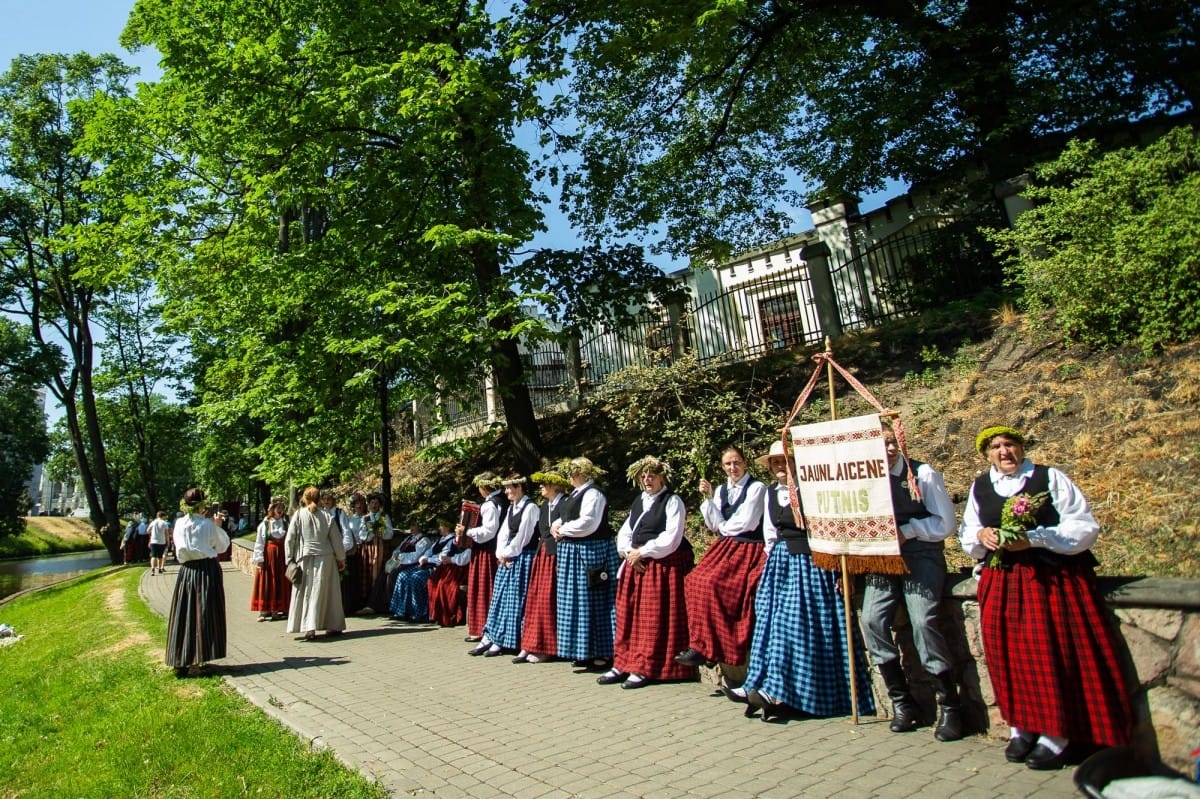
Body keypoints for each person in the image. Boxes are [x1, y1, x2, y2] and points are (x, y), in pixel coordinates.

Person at [960, 425, 1133, 770]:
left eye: (1009, 444)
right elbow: (967, 532)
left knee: (1050, 651)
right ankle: (1021, 727)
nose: (1003, 451)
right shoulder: (980, 486)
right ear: (986, 454)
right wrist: (981, 534)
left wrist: (1036, 539)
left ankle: (1057, 734)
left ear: (1020, 448)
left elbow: (1083, 527)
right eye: (995, 447)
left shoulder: (1049, 478)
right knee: (1005, 654)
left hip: (1047, 579)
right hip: (1003, 580)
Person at [738, 441, 876, 721]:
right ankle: (766, 687)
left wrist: (840, 568)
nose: (779, 466)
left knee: (799, 625)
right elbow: (770, 533)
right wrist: (771, 563)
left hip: (811, 562)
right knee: (769, 622)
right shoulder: (770, 493)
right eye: (775, 462)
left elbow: (831, 529)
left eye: (783, 461)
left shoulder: (812, 490)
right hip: (781, 562)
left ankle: (787, 693)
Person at [861, 423, 962, 740]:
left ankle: (950, 704)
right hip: (884, 555)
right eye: (881, 443)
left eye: (892, 442)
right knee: (871, 620)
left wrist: (909, 530)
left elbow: (945, 523)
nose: (888, 449)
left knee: (922, 619)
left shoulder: (923, 474)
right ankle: (901, 701)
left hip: (920, 551)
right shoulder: (868, 479)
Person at [596, 456, 695, 690]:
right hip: (636, 563)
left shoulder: (672, 501)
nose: (647, 479)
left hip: (661, 566)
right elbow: (625, 532)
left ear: (662, 477)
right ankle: (624, 663)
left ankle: (645, 667)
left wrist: (644, 552)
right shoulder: (639, 501)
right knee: (627, 615)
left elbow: (672, 537)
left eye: (652, 475)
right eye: (644, 475)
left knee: (651, 618)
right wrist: (629, 552)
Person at [675, 444, 767, 671]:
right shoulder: (721, 490)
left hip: (749, 546)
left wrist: (723, 527)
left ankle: (715, 646)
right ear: (722, 466)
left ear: (745, 463)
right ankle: (702, 645)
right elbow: (712, 524)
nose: (733, 467)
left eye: (736, 462)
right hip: (726, 545)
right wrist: (707, 498)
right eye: (728, 464)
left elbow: (747, 522)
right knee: (693, 580)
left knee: (714, 584)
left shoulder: (757, 488)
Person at [551, 456, 619, 670]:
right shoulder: (576, 494)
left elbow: (588, 523)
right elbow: (565, 515)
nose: (570, 476)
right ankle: (582, 650)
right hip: (573, 552)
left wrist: (563, 530)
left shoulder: (594, 494)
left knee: (592, 601)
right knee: (575, 601)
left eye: (573, 472)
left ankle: (602, 652)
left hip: (590, 552)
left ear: (583, 473)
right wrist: (556, 525)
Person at [472, 475, 539, 656]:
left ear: (521, 488)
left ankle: (509, 640)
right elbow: (503, 533)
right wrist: (500, 553)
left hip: (523, 557)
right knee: (500, 598)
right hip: (507, 557)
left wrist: (507, 553)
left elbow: (523, 537)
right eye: (507, 488)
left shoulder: (531, 507)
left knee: (517, 601)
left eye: (511, 488)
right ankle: (493, 637)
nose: (507, 492)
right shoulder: (511, 508)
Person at [164, 488, 229, 678]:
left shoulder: (179, 524)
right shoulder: (207, 525)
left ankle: (181, 657)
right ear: (202, 505)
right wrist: (217, 526)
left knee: (185, 612)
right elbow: (222, 545)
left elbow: (179, 546)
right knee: (203, 613)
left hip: (186, 571)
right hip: (206, 570)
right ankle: (196, 660)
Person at [514, 465, 571, 664]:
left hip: (557, 555)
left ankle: (548, 647)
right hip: (543, 555)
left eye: (544, 484)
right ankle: (530, 643)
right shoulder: (545, 505)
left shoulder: (565, 503)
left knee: (549, 601)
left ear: (554, 485)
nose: (540, 488)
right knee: (536, 600)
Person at [285, 485, 347, 641]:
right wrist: (341, 559)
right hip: (326, 558)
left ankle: (309, 628)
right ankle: (332, 625)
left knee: (307, 593)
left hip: (304, 558)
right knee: (327, 593)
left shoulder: (298, 515)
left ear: (304, 499)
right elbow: (336, 540)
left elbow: (290, 539)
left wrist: (289, 558)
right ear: (319, 499)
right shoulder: (327, 516)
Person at [456, 472, 509, 643]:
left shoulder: (489, 505)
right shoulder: (503, 501)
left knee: (483, 589)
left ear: (484, 487)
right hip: (494, 550)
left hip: (485, 552)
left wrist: (467, 531)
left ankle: (482, 628)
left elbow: (488, 531)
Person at [387, 521, 437, 621]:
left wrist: (400, 556)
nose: (412, 528)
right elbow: (398, 549)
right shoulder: (408, 538)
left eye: (414, 525)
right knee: (395, 576)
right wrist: (396, 554)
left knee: (400, 576)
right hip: (402, 563)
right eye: (411, 525)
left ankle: (412, 611)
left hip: (413, 564)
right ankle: (399, 610)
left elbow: (416, 556)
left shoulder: (424, 540)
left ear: (419, 527)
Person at [427, 519, 472, 627]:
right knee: (431, 581)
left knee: (445, 585)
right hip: (450, 566)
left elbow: (465, 558)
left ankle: (448, 617)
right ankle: (436, 615)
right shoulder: (455, 539)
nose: (457, 529)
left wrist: (451, 559)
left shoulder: (469, 541)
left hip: (461, 569)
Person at [250, 500, 290, 621]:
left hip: (282, 557)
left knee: (281, 582)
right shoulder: (265, 524)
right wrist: (259, 559)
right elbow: (259, 543)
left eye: (281, 507)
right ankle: (265, 611)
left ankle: (279, 609)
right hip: (269, 558)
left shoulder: (286, 524)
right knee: (268, 582)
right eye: (277, 507)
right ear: (271, 509)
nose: (279, 510)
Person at [356, 492, 394, 615]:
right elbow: (361, 534)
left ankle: (379, 603)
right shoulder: (365, 518)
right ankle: (367, 602)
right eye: (372, 503)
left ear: (380, 505)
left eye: (376, 503)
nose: (374, 505)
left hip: (382, 547)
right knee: (368, 573)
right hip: (369, 549)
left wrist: (381, 532)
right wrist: (369, 533)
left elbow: (390, 533)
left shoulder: (384, 516)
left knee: (380, 573)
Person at [339, 492, 367, 615]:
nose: (359, 506)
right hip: (353, 550)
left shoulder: (367, 517)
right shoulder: (350, 519)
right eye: (356, 504)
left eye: (361, 503)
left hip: (365, 548)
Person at [147, 510, 170, 576]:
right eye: (165, 516)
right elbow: (166, 534)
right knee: (160, 556)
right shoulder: (164, 523)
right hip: (161, 541)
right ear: (163, 516)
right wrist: (168, 541)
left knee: (153, 555)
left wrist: (152, 534)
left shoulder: (153, 522)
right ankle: (159, 568)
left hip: (153, 541)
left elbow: (148, 530)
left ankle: (152, 568)